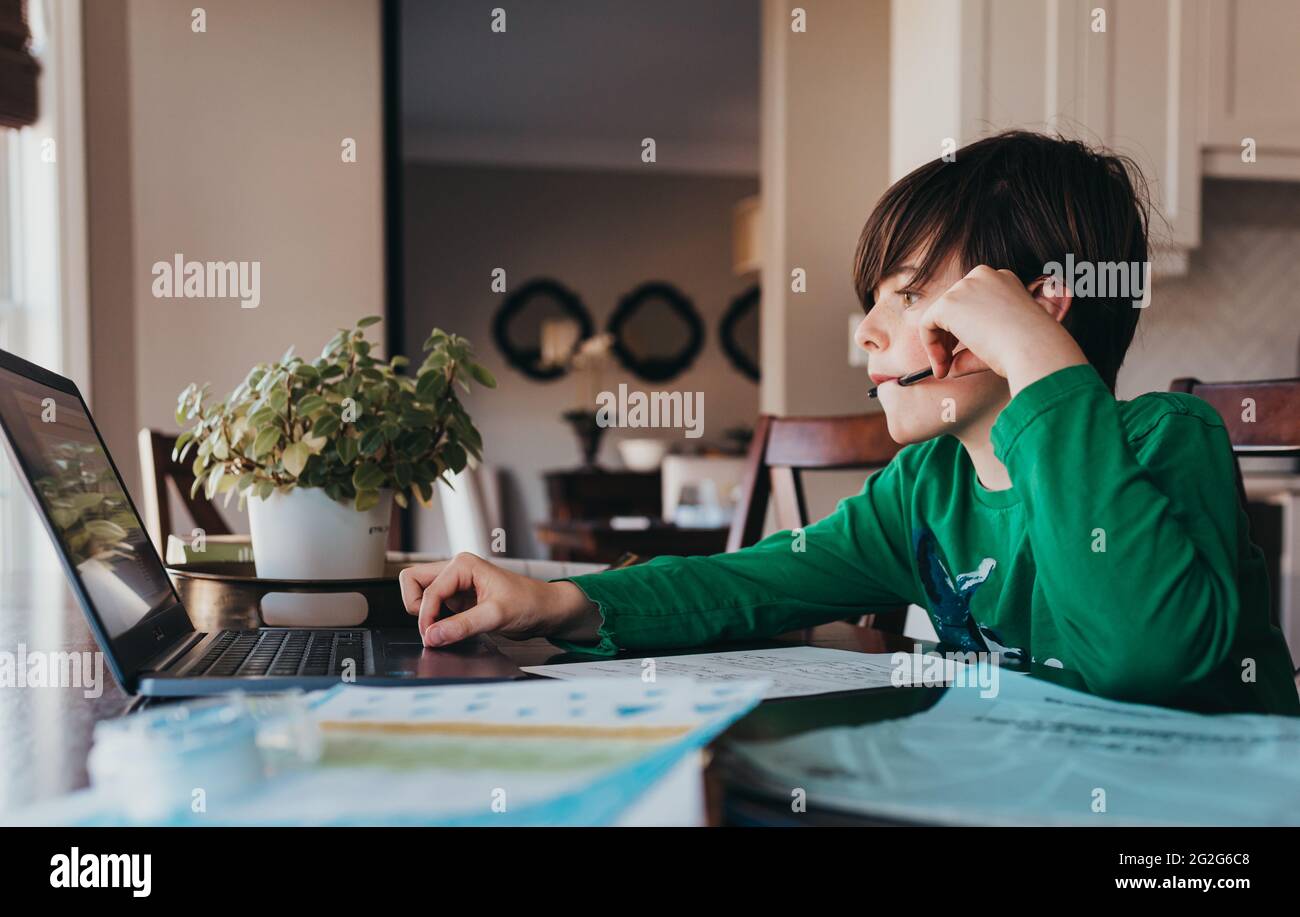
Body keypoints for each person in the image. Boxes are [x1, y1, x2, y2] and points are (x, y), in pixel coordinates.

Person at [398, 131, 1299, 715]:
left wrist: (1043, 367)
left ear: (1036, 309)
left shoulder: (1167, 439)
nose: (867, 330)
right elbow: (748, 583)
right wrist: (564, 600)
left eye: (907, 295)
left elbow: (1147, 660)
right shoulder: (925, 487)